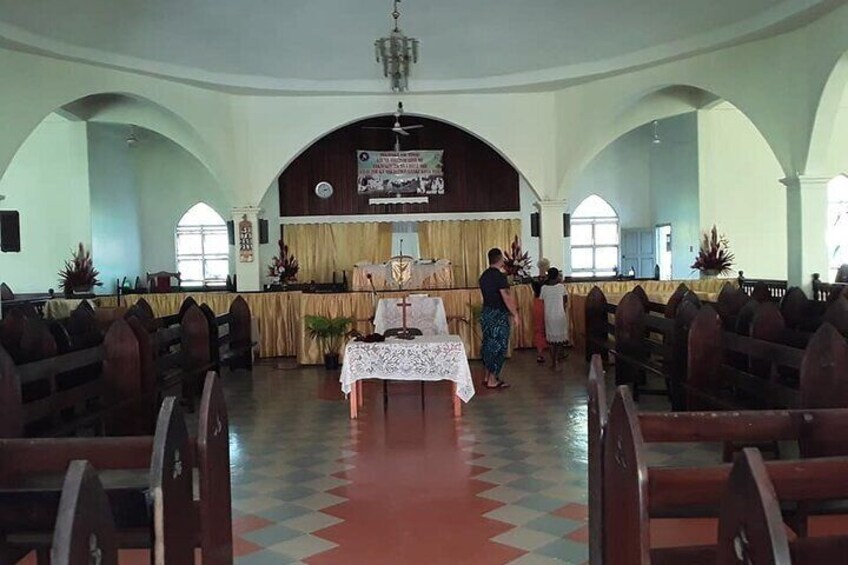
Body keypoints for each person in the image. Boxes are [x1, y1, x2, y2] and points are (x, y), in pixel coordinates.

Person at [479, 248, 520, 389]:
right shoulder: (499, 277)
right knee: (499, 347)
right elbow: (506, 297)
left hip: (486, 313)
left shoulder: (483, 276)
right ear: (500, 259)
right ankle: (492, 380)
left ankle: (486, 376)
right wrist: (515, 314)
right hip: (498, 315)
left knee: (487, 345)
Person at [540, 267, 569, 369]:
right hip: (560, 315)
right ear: (557, 276)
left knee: (551, 341)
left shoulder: (544, 288)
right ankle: (559, 356)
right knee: (559, 339)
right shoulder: (561, 287)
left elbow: (542, 301)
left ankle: (554, 362)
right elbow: (565, 300)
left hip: (549, 315)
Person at [531, 258, 551, 363]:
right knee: (551, 327)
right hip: (548, 303)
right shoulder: (551, 281)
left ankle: (540, 353)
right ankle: (555, 353)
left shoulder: (534, 280)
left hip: (537, 303)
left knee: (538, 329)